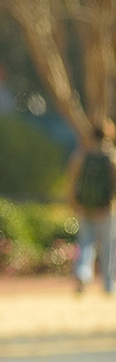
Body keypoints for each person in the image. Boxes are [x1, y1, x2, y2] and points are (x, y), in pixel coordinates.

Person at [67, 121, 116, 295]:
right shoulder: (110, 156)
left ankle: (82, 274)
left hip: (85, 206)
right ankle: (109, 284)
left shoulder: (82, 155)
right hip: (106, 209)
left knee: (86, 243)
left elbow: (72, 181)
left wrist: (75, 203)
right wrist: (109, 205)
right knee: (108, 246)